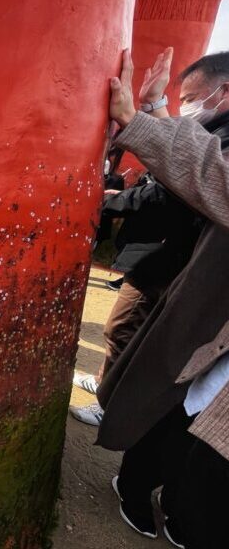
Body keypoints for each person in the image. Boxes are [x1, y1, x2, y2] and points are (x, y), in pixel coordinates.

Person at [99, 47, 229, 548]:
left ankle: (172, 507)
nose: (191, 108)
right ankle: (151, 497)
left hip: (195, 296)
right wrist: (150, 115)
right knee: (174, 407)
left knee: (194, 434)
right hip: (198, 302)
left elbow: (208, 176)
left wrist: (141, 118)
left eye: (195, 99)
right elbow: (204, 162)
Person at [71, 167, 203, 426]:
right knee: (127, 330)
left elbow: (164, 194)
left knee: (123, 329)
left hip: (161, 254)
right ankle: (103, 383)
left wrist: (108, 200)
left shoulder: (212, 140)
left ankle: (108, 405)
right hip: (160, 249)